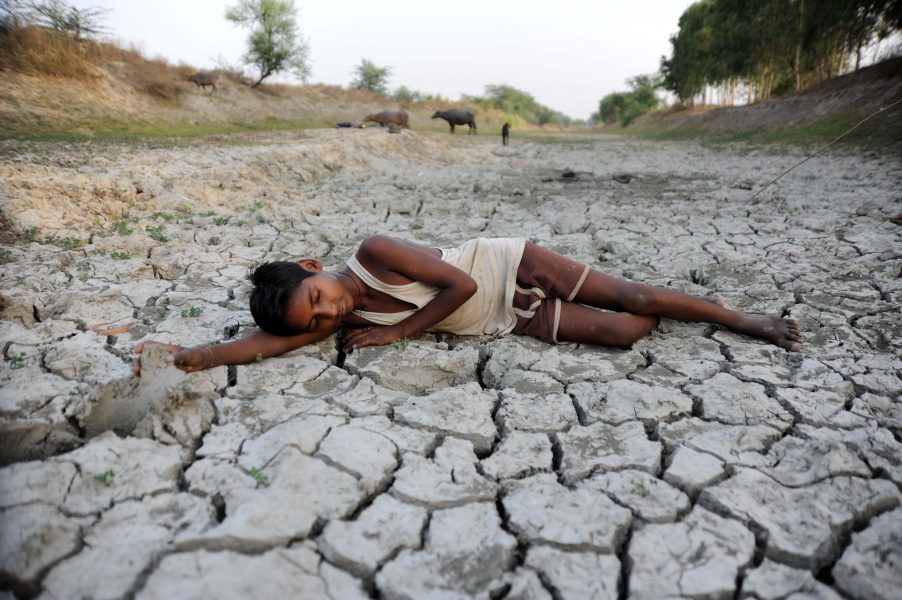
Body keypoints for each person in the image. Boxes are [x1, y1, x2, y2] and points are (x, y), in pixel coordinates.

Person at [135, 235, 802, 372]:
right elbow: (269, 343)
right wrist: (195, 357)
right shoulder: (340, 317)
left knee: (634, 295)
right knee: (626, 332)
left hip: (507, 268)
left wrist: (397, 337)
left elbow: (463, 286)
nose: (332, 314)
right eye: (319, 320)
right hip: (505, 320)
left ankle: (737, 317)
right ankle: (673, 305)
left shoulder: (373, 254)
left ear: (314, 267)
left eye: (320, 297)